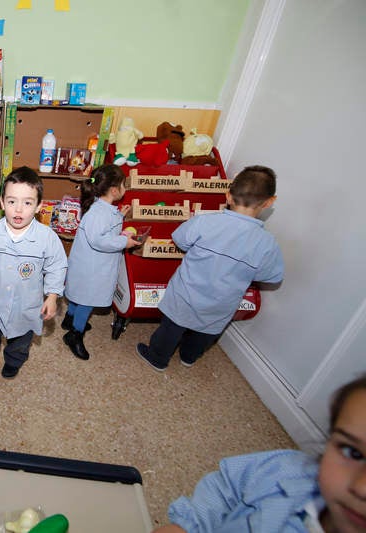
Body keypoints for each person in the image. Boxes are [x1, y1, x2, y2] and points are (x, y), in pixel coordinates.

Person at [153, 374, 366, 532]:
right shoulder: (286, 469)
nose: (361, 488)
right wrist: (188, 525)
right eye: (353, 453)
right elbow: (227, 488)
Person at [136, 165, 284, 371]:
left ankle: (157, 357)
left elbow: (179, 239)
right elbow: (270, 275)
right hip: (221, 303)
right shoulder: (267, 243)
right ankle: (189, 357)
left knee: (171, 328)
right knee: (205, 333)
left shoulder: (204, 222)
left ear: (228, 196)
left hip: (186, 294)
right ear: (269, 202)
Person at [0, 166, 67, 386]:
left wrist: (53, 296)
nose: (18, 209)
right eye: (12, 201)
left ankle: (13, 363)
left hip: (26, 307)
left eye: (27, 203)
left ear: (38, 206)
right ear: (1, 203)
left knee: (20, 343)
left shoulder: (47, 238)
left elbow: (57, 266)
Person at [61, 164, 139, 360]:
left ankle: (69, 319)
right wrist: (124, 241)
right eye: (124, 185)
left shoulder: (102, 208)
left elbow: (103, 230)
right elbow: (99, 240)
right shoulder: (99, 213)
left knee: (79, 294)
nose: (125, 189)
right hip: (92, 269)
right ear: (114, 190)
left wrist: (120, 215)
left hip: (89, 265)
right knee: (87, 301)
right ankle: (74, 334)